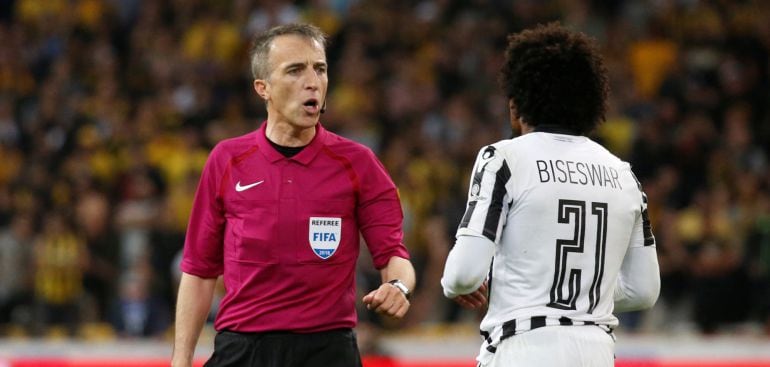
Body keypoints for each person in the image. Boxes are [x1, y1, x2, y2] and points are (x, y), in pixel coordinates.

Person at [171, 23, 415, 367]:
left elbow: (394, 256)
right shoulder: (227, 160)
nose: (312, 81)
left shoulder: (359, 163)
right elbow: (198, 272)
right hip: (244, 349)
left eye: (320, 68)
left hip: (327, 350)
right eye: (295, 70)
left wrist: (399, 287)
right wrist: (180, 362)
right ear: (263, 88)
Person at [441, 23, 660, 367]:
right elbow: (644, 290)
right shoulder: (624, 175)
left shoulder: (505, 159)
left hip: (524, 347)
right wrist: (587, 288)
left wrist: (459, 284)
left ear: (515, 107)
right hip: (597, 351)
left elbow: (463, 274)